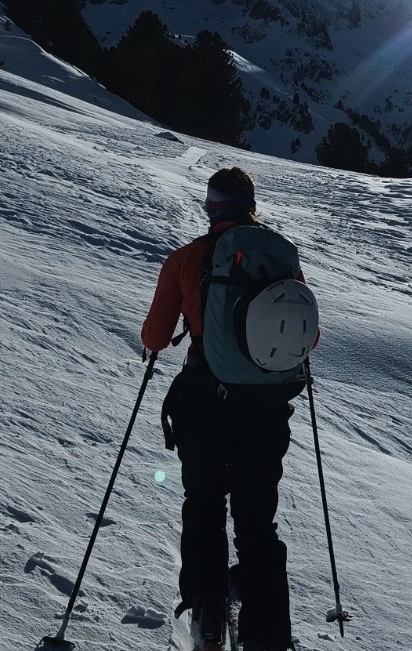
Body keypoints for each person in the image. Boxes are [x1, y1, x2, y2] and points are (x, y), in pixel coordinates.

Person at [142, 167, 299, 651]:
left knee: (204, 503)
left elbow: (153, 337)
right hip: (266, 411)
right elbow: (303, 334)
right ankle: (268, 637)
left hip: (205, 404)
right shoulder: (282, 256)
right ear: (252, 205)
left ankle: (207, 619)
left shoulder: (188, 258)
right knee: (257, 525)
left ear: (211, 207)